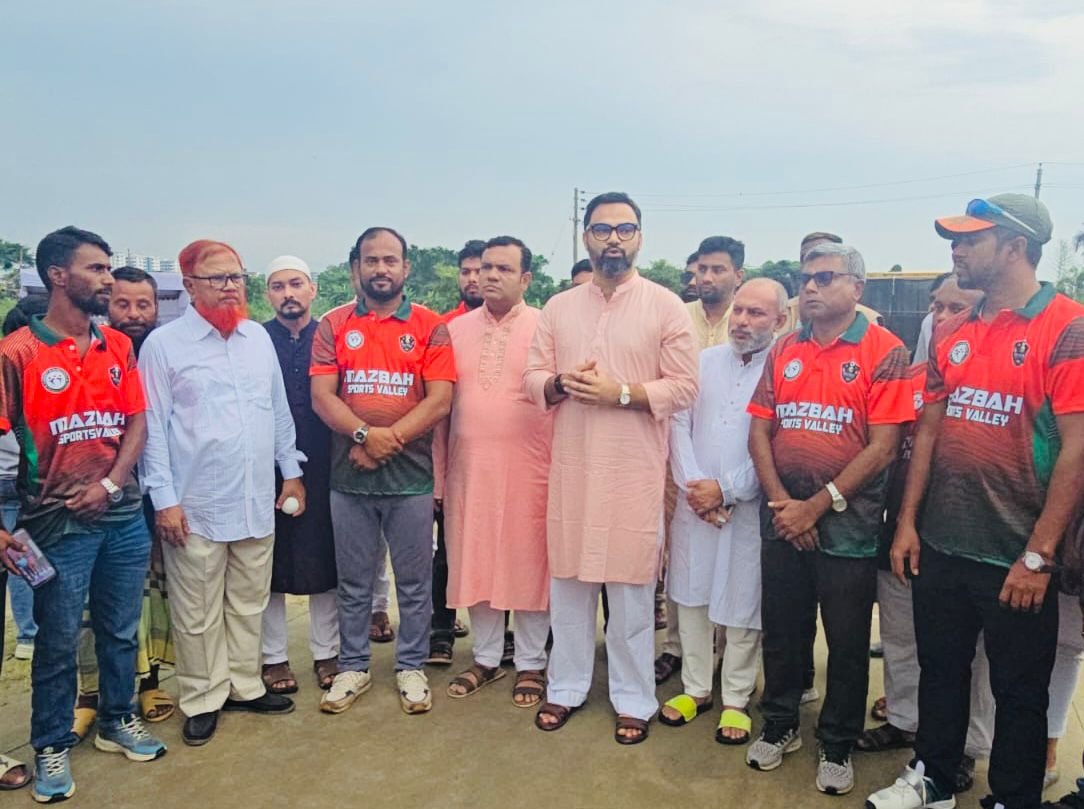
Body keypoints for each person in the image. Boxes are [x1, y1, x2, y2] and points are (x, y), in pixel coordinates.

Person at [868, 194, 1084, 809]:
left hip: (1015, 553)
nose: (956, 251)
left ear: (1015, 246)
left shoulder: (1067, 327)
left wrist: (1038, 556)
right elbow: (929, 430)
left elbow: (1077, 450)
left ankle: (1013, 797)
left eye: (971, 239)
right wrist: (908, 522)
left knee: (1019, 689)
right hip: (941, 541)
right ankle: (932, 776)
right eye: (954, 241)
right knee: (943, 668)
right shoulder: (954, 328)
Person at [524, 191, 698, 745]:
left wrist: (619, 392)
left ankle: (633, 697)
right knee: (569, 586)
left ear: (640, 237)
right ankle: (567, 686)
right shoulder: (558, 307)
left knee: (629, 593)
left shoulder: (665, 305)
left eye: (625, 230)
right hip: (572, 468)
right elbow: (532, 378)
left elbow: (686, 387)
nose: (613, 240)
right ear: (586, 238)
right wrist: (559, 385)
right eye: (602, 230)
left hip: (632, 472)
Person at [0, 226, 166, 802]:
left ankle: (118, 719)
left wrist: (113, 483)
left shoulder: (117, 346)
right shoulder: (17, 354)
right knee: (58, 637)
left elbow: (137, 422)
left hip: (119, 516)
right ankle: (49, 742)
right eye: (97, 270)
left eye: (109, 268)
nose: (108, 280)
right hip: (55, 521)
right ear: (57, 276)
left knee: (122, 629)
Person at [746, 242, 913, 796]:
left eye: (824, 278)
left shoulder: (885, 351)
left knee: (844, 643)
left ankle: (837, 741)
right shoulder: (785, 349)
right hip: (782, 521)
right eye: (805, 279)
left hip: (848, 529)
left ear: (856, 289)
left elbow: (884, 447)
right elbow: (760, 432)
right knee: (784, 631)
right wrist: (783, 507)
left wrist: (816, 506)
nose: (810, 288)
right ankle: (781, 723)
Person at [140, 239, 306, 747]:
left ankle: (245, 685)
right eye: (219, 278)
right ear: (189, 286)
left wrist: (291, 471)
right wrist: (164, 500)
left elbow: (277, 410)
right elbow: (152, 429)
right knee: (197, 610)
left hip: (255, 499)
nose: (232, 286)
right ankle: (202, 697)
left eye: (237, 276)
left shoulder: (257, 338)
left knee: (249, 601)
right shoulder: (164, 346)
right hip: (195, 506)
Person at [856, 273, 994, 794]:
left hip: (962, 540)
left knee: (967, 659)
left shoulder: (992, 380)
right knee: (901, 638)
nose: (939, 317)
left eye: (955, 307)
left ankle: (965, 749)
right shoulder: (909, 376)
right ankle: (906, 722)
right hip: (900, 530)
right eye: (936, 306)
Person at [311, 226, 455, 716]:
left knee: (414, 583)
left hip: (412, 479)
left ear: (405, 267)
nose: (381, 269)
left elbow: (439, 399)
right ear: (356, 268)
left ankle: (410, 666)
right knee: (353, 581)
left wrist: (383, 440)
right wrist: (361, 436)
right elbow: (322, 397)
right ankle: (353, 666)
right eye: (371, 260)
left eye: (390, 260)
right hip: (349, 479)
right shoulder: (332, 325)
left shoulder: (431, 326)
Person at [661, 278, 788, 744]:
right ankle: (695, 689)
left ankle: (735, 698)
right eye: (739, 311)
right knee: (691, 597)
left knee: (741, 605)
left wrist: (728, 491)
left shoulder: (783, 368)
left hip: (747, 510)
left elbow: (779, 445)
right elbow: (677, 423)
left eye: (756, 314)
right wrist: (695, 488)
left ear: (780, 320)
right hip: (695, 504)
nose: (742, 321)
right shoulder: (703, 362)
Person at [436, 236, 554, 707]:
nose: (489, 276)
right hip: (469, 469)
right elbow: (442, 412)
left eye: (504, 269)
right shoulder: (455, 331)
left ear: (526, 278)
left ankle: (530, 664)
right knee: (475, 560)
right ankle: (484, 658)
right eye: (485, 268)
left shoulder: (547, 328)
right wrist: (441, 477)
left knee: (527, 564)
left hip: (532, 470)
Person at [655, 235, 747, 685]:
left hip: (738, 474)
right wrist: (692, 483)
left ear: (737, 275)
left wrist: (728, 487)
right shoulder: (677, 316)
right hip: (681, 464)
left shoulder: (752, 318)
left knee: (735, 567)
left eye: (717, 270)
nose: (706, 278)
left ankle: (728, 657)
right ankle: (676, 648)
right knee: (683, 561)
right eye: (701, 270)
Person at [259, 256, 340, 694]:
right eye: (277, 286)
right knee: (268, 565)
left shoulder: (330, 336)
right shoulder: (254, 339)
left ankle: (327, 653)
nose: (287, 294)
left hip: (326, 461)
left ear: (312, 289)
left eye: (295, 284)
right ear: (267, 294)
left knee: (323, 561)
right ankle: (273, 658)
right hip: (264, 467)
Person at [427, 239, 485, 665]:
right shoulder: (445, 329)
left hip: (504, 463)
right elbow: (436, 412)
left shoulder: (529, 328)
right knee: (447, 551)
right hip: (456, 459)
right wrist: (438, 475)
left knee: (502, 548)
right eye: (466, 271)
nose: (473, 278)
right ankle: (441, 632)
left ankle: (499, 635)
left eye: (481, 270)